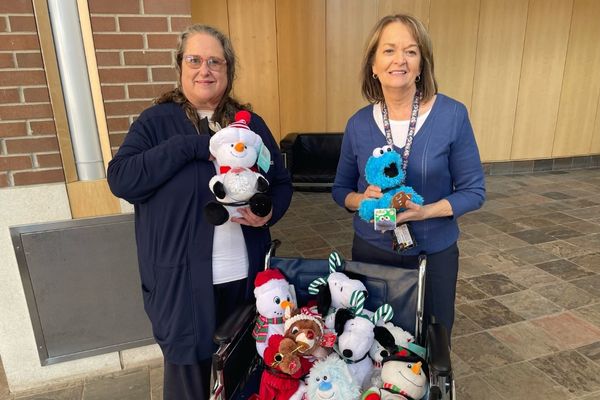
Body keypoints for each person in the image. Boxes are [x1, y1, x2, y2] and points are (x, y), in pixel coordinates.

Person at [107, 24, 293, 400]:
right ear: (180, 66)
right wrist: (194, 146)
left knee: (243, 374)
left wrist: (268, 211)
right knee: (189, 386)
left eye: (215, 62)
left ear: (228, 71)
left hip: (245, 282)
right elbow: (122, 179)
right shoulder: (156, 123)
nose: (204, 69)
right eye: (194, 60)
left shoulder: (249, 125)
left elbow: (281, 182)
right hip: (181, 286)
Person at [332, 14, 485, 339]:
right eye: (388, 50)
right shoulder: (358, 123)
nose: (399, 60)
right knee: (373, 339)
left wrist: (425, 211)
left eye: (411, 51)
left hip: (433, 255)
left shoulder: (452, 115)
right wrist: (361, 199)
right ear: (373, 64)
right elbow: (340, 189)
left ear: (421, 64)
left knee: (432, 338)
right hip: (371, 251)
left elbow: (474, 191)